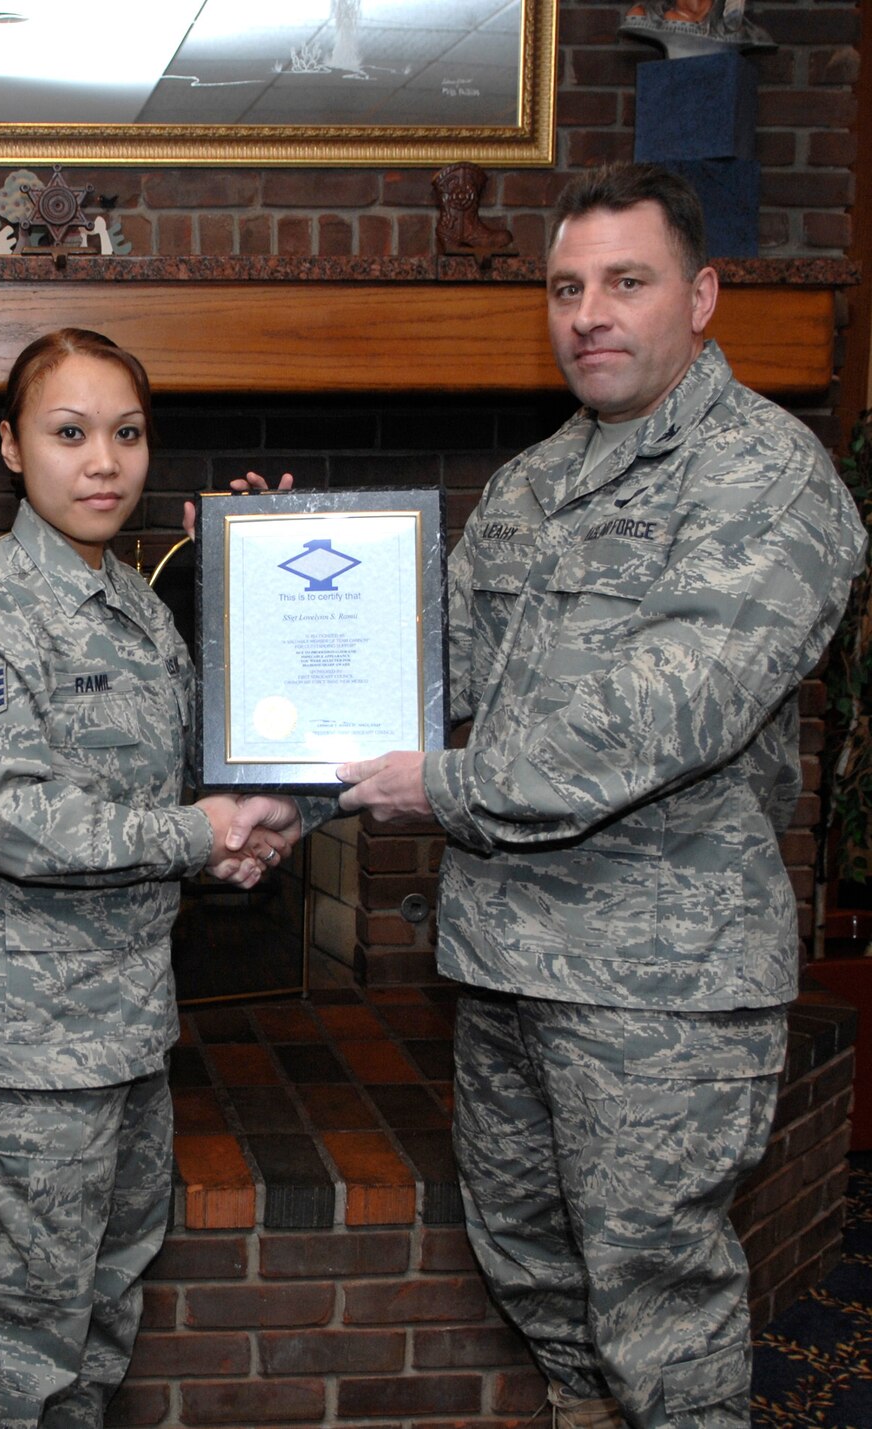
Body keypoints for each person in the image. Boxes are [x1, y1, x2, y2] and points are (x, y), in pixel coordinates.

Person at [332, 164, 866, 1429]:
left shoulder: (766, 479)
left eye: (625, 282)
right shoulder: (533, 484)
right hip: (507, 962)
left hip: (657, 989)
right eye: (565, 288)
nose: (588, 315)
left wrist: (441, 786)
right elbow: (432, 664)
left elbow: (663, 713)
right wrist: (305, 578)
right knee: (534, 1265)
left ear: (701, 296)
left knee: (657, 1307)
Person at [0, 328, 302, 1429]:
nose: (103, 462)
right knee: (18, 1350)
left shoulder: (135, 606)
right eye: (69, 432)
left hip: (127, 1035)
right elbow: (13, 821)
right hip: (25, 1057)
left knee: (98, 1323)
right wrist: (195, 835)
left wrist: (261, 582)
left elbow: (205, 776)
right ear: (10, 447)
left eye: (126, 434)